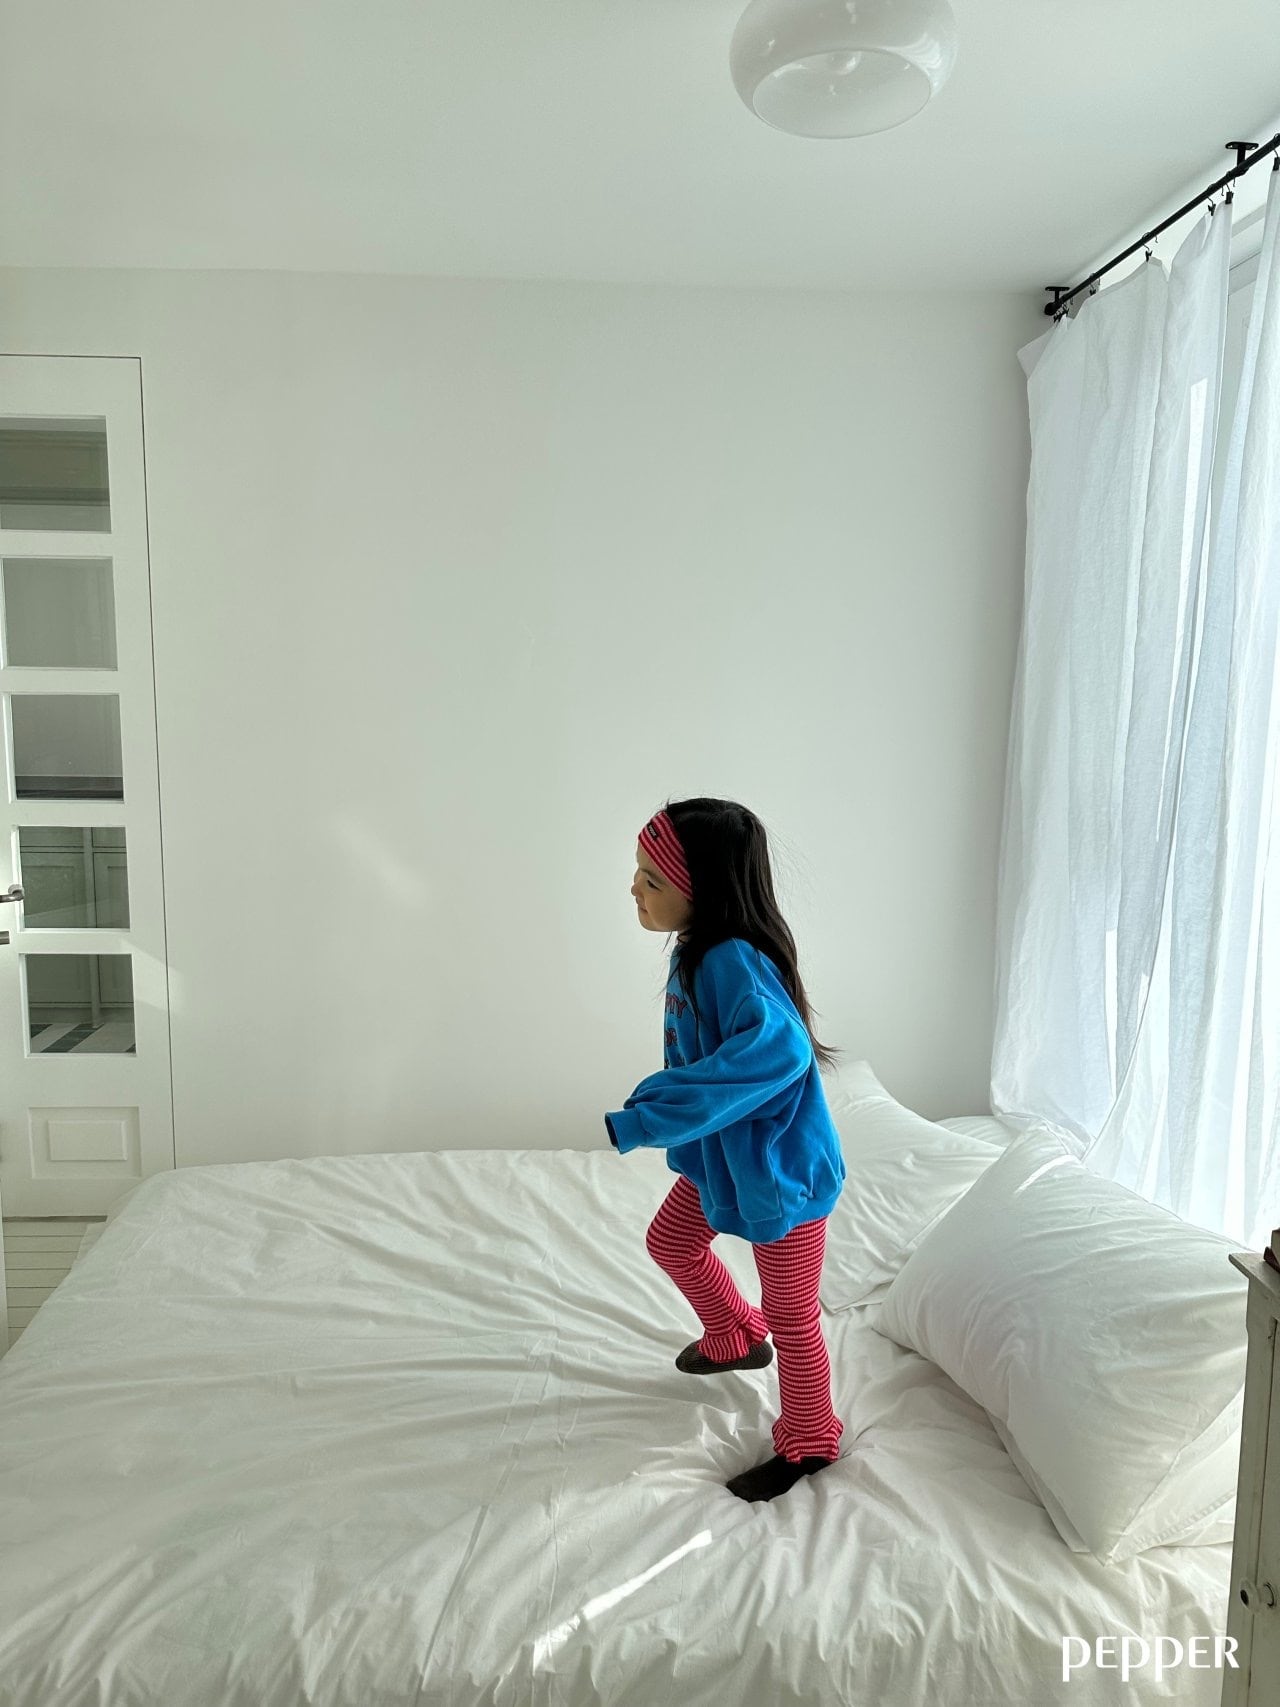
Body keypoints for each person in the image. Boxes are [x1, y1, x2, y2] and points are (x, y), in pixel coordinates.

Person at [604, 797, 849, 1504]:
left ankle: (811, 1440)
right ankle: (736, 1335)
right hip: (724, 1160)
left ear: (703, 892)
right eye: (638, 871)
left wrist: (652, 1113)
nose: (634, 887)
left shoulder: (732, 960)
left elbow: (780, 1052)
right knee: (671, 1241)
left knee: (794, 1320)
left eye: (652, 878)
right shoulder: (697, 951)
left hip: (779, 1173)